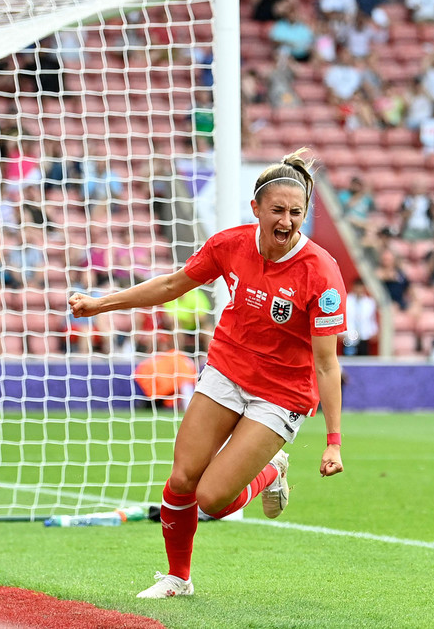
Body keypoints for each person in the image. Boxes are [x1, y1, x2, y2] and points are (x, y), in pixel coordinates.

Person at [68, 150, 346, 598]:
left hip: (281, 394)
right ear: (256, 209)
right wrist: (101, 304)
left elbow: (327, 363)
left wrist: (333, 441)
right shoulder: (229, 244)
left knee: (213, 500)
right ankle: (178, 579)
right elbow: (171, 284)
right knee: (182, 480)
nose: (287, 221)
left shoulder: (322, 273)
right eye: (278, 210)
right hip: (226, 372)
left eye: (296, 212)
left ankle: (271, 471)